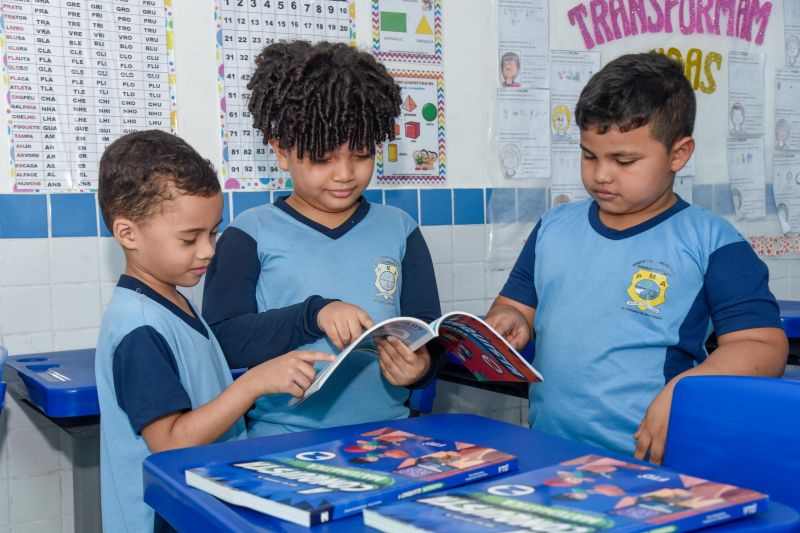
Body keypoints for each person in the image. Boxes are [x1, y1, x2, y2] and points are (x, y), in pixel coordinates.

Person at [485, 52, 787, 463]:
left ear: (679, 154)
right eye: (589, 155)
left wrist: (684, 390)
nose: (601, 174)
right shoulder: (554, 227)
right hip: (550, 453)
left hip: (648, 465)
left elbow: (763, 345)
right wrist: (509, 322)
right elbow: (513, 306)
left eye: (623, 160)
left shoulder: (713, 241)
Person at [95, 130, 333, 532]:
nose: (208, 250)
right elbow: (169, 442)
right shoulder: (139, 327)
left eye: (212, 232)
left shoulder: (170, 300)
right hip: (165, 517)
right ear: (127, 234)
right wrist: (254, 383)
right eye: (190, 239)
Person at [203, 41, 443, 437]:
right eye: (322, 158)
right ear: (281, 151)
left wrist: (420, 368)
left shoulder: (401, 229)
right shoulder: (249, 234)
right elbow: (224, 341)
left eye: (362, 154)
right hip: (279, 440)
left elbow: (427, 333)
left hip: (389, 438)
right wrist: (314, 313)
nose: (344, 174)